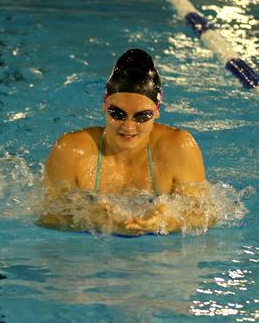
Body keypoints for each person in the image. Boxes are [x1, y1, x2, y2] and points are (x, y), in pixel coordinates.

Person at [39, 49, 213, 235]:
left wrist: (166, 222)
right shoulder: (71, 150)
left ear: (156, 112)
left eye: (142, 116)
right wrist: (94, 219)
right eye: (117, 114)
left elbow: (206, 214)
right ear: (104, 107)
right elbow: (45, 216)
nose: (128, 126)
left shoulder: (178, 147)